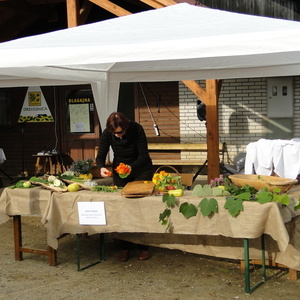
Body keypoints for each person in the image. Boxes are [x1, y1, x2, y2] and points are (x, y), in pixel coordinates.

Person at [96, 112, 153, 261]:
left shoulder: (137, 129)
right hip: (120, 170)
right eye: (114, 133)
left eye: (120, 133)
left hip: (141, 169)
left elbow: (143, 155)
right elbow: (101, 154)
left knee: (141, 207)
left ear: (126, 128)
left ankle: (143, 247)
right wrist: (101, 167)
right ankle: (125, 246)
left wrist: (130, 167)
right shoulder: (108, 133)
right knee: (123, 207)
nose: (117, 136)